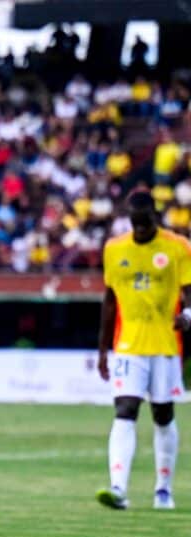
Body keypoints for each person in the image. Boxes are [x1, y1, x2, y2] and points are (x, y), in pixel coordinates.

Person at [96, 191, 189, 510]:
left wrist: (188, 316)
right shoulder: (114, 248)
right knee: (125, 410)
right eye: (135, 224)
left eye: (145, 223)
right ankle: (118, 488)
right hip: (128, 346)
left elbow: (189, 293)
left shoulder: (178, 247)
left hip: (165, 344)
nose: (139, 230)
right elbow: (110, 302)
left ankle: (163, 489)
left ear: (155, 217)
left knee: (163, 415)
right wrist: (103, 349)